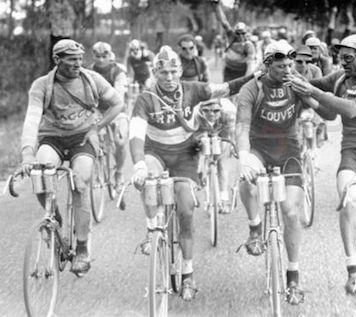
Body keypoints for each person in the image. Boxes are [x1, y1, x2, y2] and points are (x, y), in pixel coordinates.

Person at [129, 46, 262, 301]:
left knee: (186, 210)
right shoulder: (146, 97)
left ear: (180, 71)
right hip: (155, 152)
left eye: (173, 72)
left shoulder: (194, 89)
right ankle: (151, 229)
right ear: (155, 72)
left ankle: (188, 273)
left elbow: (227, 88)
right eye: (163, 72)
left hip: (185, 156)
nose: (168, 77)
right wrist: (138, 165)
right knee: (148, 182)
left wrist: (255, 76)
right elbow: (136, 133)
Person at [288, 34, 356, 299]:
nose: (343, 63)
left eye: (348, 58)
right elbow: (326, 109)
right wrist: (287, 78)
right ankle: (352, 267)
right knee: (348, 198)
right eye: (340, 58)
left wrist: (312, 92)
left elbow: (350, 110)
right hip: (353, 153)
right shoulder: (339, 79)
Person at [236, 40, 335, 305]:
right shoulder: (252, 88)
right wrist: (244, 156)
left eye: (290, 65)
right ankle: (255, 228)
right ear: (268, 65)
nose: (287, 70)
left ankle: (293, 276)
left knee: (290, 211)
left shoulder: (297, 84)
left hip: (289, 149)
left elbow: (329, 115)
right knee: (246, 177)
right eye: (281, 66)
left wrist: (310, 92)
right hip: (259, 147)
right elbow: (242, 126)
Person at [20, 39, 124, 275]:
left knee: (81, 182)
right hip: (52, 138)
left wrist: (96, 128)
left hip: (82, 139)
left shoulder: (91, 79)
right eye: (72, 59)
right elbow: (32, 119)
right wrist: (27, 153)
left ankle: (82, 247)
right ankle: (53, 218)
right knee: (40, 176)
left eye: (80, 59)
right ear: (57, 60)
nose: (78, 64)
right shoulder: (41, 85)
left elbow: (118, 103)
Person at [91, 41, 129, 188]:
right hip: (97, 110)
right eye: (97, 56)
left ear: (110, 55)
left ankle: (119, 171)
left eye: (104, 55)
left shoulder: (118, 72)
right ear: (93, 55)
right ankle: (96, 173)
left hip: (117, 110)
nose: (101, 59)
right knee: (91, 139)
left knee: (119, 141)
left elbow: (118, 96)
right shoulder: (88, 72)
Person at [195, 99, 235, 212]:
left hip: (223, 131)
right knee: (200, 158)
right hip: (201, 131)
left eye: (215, 111)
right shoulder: (195, 115)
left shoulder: (229, 113)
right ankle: (206, 195)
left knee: (222, 164)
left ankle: (224, 198)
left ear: (221, 109)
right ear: (200, 110)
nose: (211, 114)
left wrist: (233, 146)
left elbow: (232, 133)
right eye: (206, 111)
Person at [213, 1, 256, 81]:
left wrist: (247, 79)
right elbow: (223, 21)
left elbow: (251, 63)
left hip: (241, 71)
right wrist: (217, 6)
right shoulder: (232, 36)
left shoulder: (248, 45)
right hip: (229, 69)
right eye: (238, 33)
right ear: (235, 32)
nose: (240, 36)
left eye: (243, 33)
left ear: (246, 33)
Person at [294, 45, 327, 149]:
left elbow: (318, 93)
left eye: (307, 62)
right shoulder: (287, 69)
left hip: (309, 105)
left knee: (310, 127)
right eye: (299, 62)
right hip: (292, 105)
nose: (303, 65)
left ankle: (311, 152)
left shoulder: (315, 71)